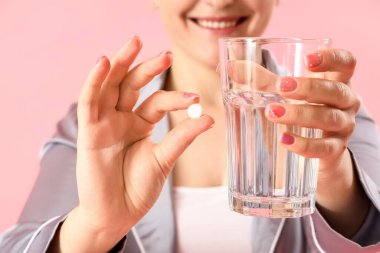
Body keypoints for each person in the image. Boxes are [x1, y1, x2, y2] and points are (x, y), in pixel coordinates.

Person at [1, 0, 380, 252]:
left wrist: (332, 172)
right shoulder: (96, 127)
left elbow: (371, 228)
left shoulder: (333, 115)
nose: (218, 0)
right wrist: (95, 226)